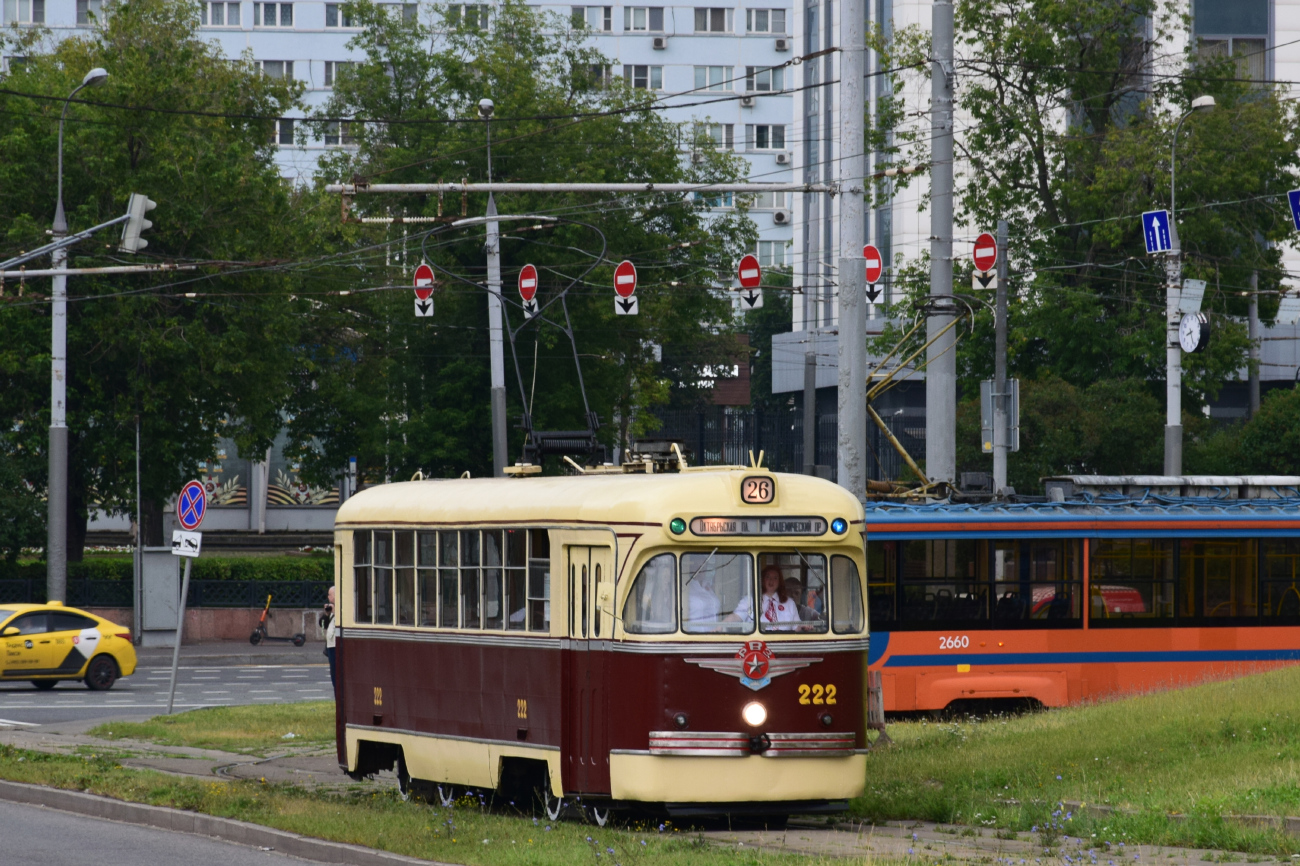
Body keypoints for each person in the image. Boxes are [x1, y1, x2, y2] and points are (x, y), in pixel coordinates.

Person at [757, 566, 801, 630]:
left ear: (779, 582)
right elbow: (737, 619)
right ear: (762, 580)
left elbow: (797, 627)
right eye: (768, 577)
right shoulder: (750, 601)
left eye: (775, 578)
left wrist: (806, 626)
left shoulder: (790, 603)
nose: (771, 580)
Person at [320, 586, 337, 690]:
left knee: (336, 672)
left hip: (336, 644)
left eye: (330, 594)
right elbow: (322, 625)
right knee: (332, 671)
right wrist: (326, 615)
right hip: (330, 645)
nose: (328, 597)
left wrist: (335, 612)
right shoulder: (330, 609)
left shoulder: (340, 609)